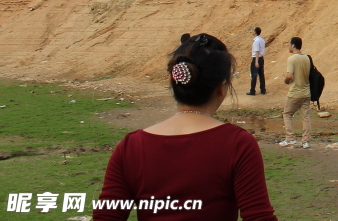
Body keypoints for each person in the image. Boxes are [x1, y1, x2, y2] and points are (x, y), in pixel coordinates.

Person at [94, 33, 277, 221]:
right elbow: (259, 217)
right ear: (221, 88)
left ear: (173, 82)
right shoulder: (238, 144)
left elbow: (107, 215)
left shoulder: (131, 146)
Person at [280, 37, 311, 149]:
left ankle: (290, 138)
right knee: (305, 117)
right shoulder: (307, 58)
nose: (288, 46)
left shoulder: (292, 59)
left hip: (295, 92)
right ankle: (306, 141)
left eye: (289, 44)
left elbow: (289, 76)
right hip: (306, 92)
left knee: (287, 114)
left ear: (293, 45)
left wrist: (286, 80)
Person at [247, 27, 266, 96]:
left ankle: (252, 90)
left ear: (255, 32)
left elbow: (257, 51)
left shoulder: (256, 41)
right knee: (261, 74)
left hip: (256, 58)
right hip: (261, 58)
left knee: (254, 75)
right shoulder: (262, 40)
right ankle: (263, 89)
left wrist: (256, 61)